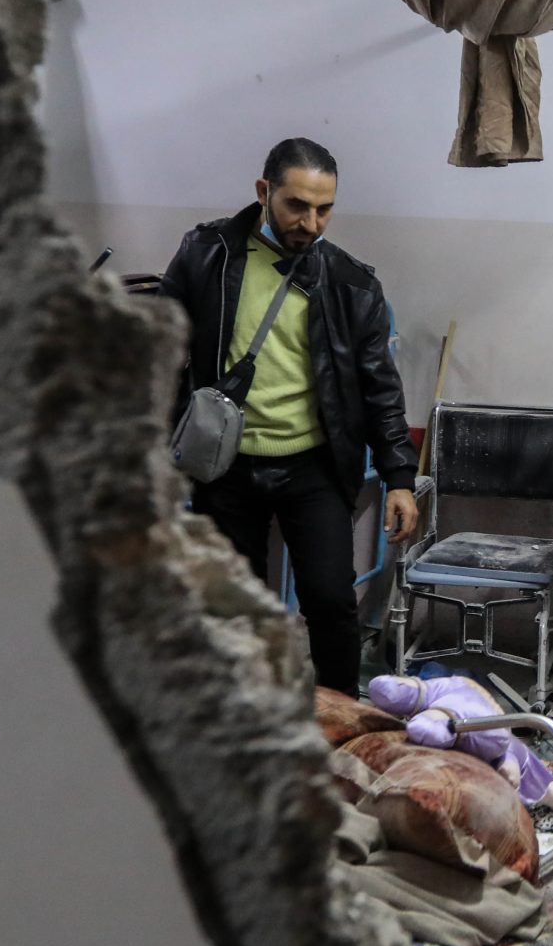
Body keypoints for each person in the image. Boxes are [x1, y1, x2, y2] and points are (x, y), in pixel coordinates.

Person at [157, 138, 421, 691]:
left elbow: (380, 387)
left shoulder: (352, 284)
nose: (311, 221)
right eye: (297, 205)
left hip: (313, 466)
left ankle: (344, 718)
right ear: (264, 191)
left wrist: (399, 476)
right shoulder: (208, 253)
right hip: (224, 464)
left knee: (329, 600)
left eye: (324, 208)